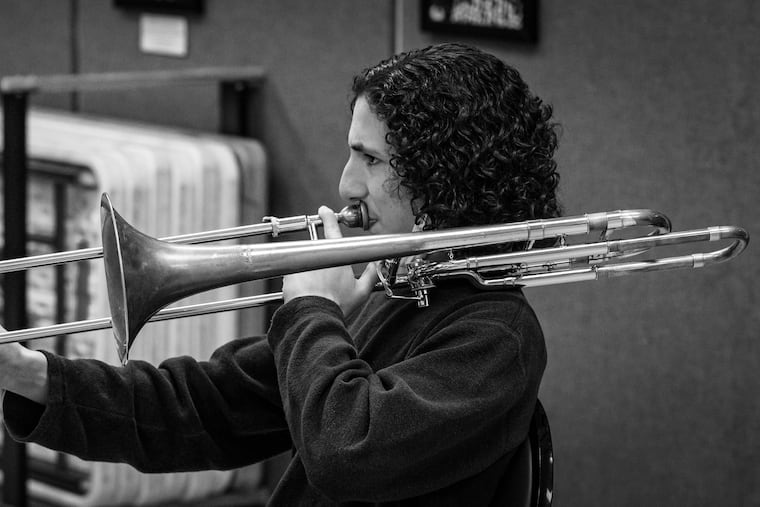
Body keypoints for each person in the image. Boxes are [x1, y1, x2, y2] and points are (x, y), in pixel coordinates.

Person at [0, 42, 560, 505]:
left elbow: (346, 451)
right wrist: (27, 374)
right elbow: (205, 409)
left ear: (443, 177)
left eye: (370, 159)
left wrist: (311, 310)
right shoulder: (399, 292)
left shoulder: (497, 339)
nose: (346, 185)